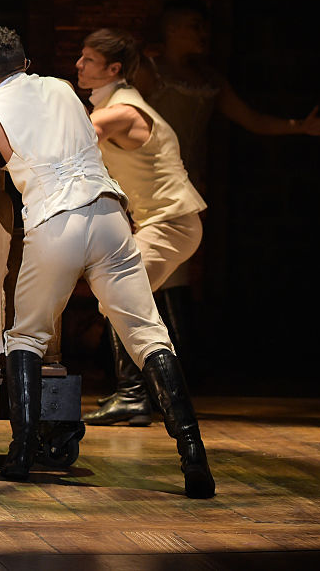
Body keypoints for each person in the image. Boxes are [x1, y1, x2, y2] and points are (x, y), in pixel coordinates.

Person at [0, 26, 215, 499]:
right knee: (148, 333)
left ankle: (22, 452)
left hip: (57, 224)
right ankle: (193, 453)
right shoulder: (64, 88)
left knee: (27, 335)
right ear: (25, 63)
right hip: (111, 215)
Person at [134, 0, 320, 353]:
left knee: (173, 265)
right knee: (150, 266)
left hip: (188, 178)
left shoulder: (208, 77)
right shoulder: (149, 72)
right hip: (148, 179)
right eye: (193, 26)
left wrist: (299, 126)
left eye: (203, 26)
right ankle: (157, 364)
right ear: (171, 29)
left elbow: (251, 118)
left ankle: (175, 360)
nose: (202, 33)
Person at [74, 29, 207, 426]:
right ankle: (135, 394)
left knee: (118, 294)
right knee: (124, 299)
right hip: (160, 223)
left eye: (88, 60)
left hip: (172, 223)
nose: (78, 65)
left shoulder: (122, 110)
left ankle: (133, 395)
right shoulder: (112, 104)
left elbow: (75, 136)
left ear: (113, 69)